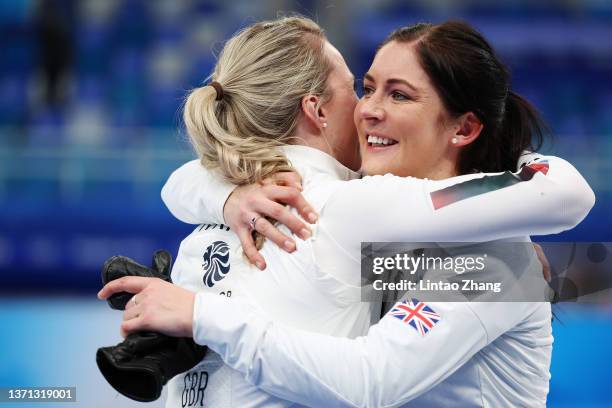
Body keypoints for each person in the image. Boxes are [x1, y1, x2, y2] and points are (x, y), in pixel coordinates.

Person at [98, 19, 595, 407]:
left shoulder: (494, 255)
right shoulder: (364, 206)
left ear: (463, 129)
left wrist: (207, 318)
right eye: (368, 87)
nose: (367, 110)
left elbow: (371, 380)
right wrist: (228, 198)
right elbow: (186, 180)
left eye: (397, 95)